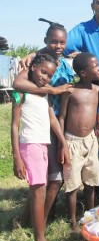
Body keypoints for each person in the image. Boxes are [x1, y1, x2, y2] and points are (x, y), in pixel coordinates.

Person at [12, 19, 74, 225]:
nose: (58, 46)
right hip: (36, 127)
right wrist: (51, 90)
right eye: (54, 42)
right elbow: (18, 83)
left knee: (54, 179)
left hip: (56, 123)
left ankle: (41, 219)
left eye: (62, 42)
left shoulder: (64, 65)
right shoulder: (34, 63)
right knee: (42, 181)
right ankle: (31, 221)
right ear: (46, 41)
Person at [11, 54, 70, 241]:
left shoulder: (44, 93)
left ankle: (22, 222)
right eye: (42, 71)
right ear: (33, 67)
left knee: (37, 188)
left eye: (50, 75)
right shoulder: (22, 92)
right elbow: (14, 126)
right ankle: (40, 240)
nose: (45, 77)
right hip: (30, 144)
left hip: (43, 144)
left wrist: (63, 142)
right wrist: (16, 157)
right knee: (39, 191)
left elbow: (52, 119)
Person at [58, 52, 99, 232]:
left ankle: (90, 216)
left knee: (91, 181)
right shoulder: (70, 91)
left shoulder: (98, 90)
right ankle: (73, 222)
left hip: (91, 141)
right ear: (83, 73)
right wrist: (62, 145)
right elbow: (61, 117)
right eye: (95, 66)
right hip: (72, 142)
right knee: (72, 185)